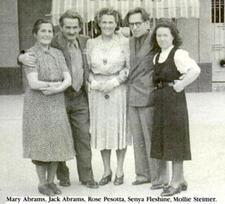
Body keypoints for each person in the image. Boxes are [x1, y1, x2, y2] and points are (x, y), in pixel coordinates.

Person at [18, 10, 98, 189]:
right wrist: (20, 57)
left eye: (75, 27)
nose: (71, 31)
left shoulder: (86, 41)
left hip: (80, 96)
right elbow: (33, 50)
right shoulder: (54, 41)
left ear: (80, 27)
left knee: (83, 137)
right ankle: (62, 176)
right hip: (60, 98)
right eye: (67, 27)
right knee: (59, 136)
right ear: (60, 28)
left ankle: (87, 177)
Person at [22, 19, 75, 196]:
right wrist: (54, 86)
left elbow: (68, 78)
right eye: (42, 31)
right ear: (35, 34)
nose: (46, 35)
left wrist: (58, 88)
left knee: (57, 141)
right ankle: (42, 183)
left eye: (49, 31)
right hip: (38, 104)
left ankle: (51, 181)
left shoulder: (58, 53)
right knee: (41, 142)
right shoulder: (30, 55)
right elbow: (33, 83)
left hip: (56, 100)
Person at [150, 19, 201, 196]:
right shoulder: (157, 56)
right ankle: (181, 179)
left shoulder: (178, 54)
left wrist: (180, 85)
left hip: (174, 102)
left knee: (175, 138)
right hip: (160, 102)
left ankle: (176, 182)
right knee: (166, 138)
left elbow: (195, 70)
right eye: (158, 35)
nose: (161, 38)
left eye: (165, 35)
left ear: (173, 37)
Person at [124, 7, 169, 187]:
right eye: (131, 24)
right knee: (138, 137)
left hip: (149, 94)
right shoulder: (130, 41)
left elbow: (169, 55)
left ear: (147, 23)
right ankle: (143, 174)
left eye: (138, 23)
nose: (134, 27)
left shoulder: (156, 38)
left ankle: (159, 177)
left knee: (152, 137)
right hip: (133, 94)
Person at [86, 8, 130, 186]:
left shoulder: (125, 43)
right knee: (102, 130)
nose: (107, 25)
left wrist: (115, 81)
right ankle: (106, 170)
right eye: (104, 22)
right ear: (98, 23)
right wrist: (94, 83)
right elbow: (87, 68)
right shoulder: (91, 43)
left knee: (118, 129)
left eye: (111, 22)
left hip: (117, 89)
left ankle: (119, 170)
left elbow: (129, 67)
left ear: (116, 23)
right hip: (97, 91)